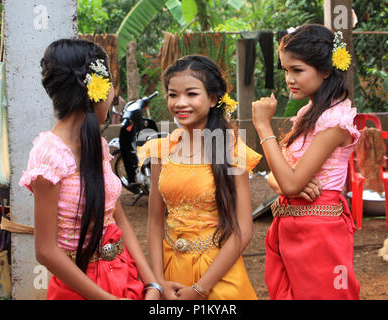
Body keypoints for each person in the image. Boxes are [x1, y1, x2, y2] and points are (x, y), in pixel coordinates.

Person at [19, 39, 161, 300]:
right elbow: (46, 251)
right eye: (111, 88)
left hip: (123, 274)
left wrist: (152, 283)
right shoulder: (49, 154)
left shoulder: (98, 143)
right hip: (81, 288)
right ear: (97, 89)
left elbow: (118, 219)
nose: (113, 96)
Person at [138, 55, 261, 300]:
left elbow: (243, 230)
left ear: (213, 98)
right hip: (171, 273)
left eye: (191, 94)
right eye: (173, 95)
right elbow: (154, 222)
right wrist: (159, 281)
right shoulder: (161, 150)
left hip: (218, 276)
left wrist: (200, 289)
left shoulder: (233, 152)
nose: (180, 103)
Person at [251, 24, 361, 300]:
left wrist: (263, 126)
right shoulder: (308, 113)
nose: (289, 78)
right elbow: (277, 178)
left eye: (297, 70)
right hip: (290, 225)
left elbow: (288, 181)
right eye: (285, 70)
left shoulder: (335, 121)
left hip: (319, 232)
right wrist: (289, 183)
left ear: (325, 70)